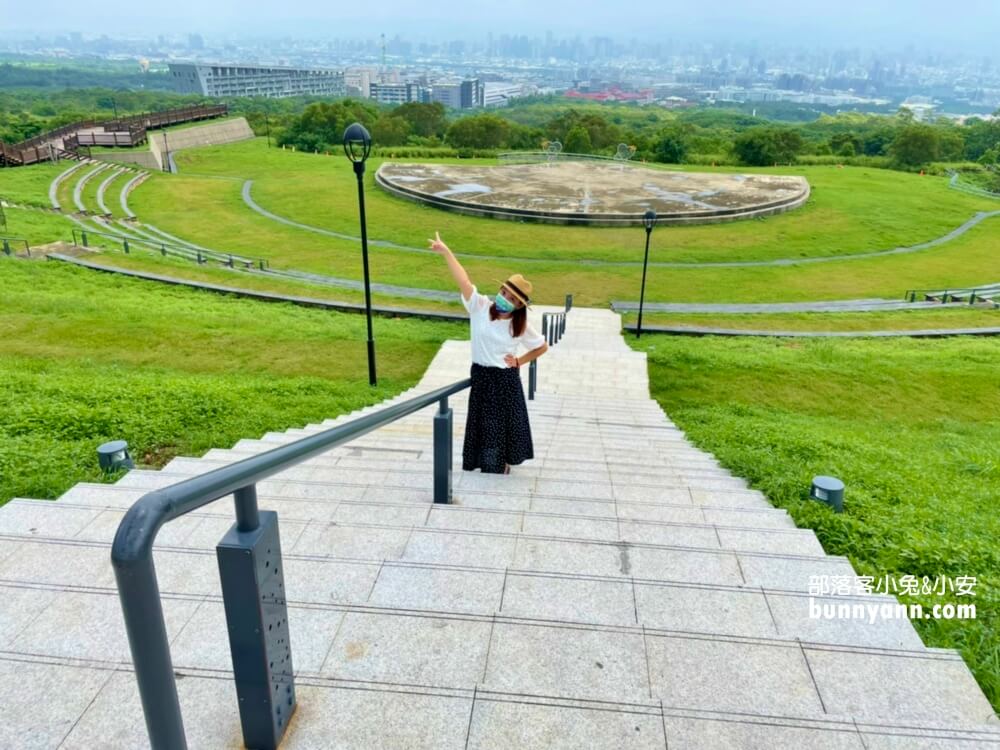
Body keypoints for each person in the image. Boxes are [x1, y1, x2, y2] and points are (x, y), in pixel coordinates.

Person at [429, 231, 548, 474]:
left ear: (518, 306)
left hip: (504, 379)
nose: (505, 299)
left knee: (498, 426)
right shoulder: (480, 306)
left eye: (512, 299)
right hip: (481, 376)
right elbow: (463, 281)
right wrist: (446, 252)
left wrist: (519, 361)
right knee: (481, 424)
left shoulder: (520, 324)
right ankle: (487, 463)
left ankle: (498, 466)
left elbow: (541, 346)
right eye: (504, 293)